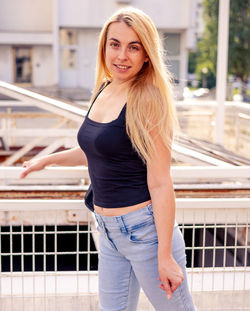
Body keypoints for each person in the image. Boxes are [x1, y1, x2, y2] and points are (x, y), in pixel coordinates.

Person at [21, 7, 196, 311]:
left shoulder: (149, 99)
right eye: (115, 44)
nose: (122, 56)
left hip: (145, 234)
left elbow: (160, 182)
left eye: (134, 47)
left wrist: (165, 256)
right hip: (109, 231)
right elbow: (97, 151)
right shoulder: (105, 88)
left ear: (146, 54)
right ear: (104, 46)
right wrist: (46, 161)